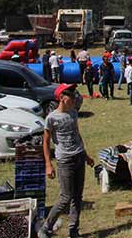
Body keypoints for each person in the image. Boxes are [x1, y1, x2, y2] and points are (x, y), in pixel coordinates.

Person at [39, 83, 94, 238]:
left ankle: (73, 230)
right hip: (65, 160)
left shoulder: (73, 113)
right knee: (65, 197)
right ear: (62, 98)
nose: (74, 98)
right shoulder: (51, 118)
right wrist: (48, 165)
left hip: (78, 157)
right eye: (71, 95)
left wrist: (86, 156)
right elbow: (46, 142)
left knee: (77, 197)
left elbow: (77, 135)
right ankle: (45, 228)